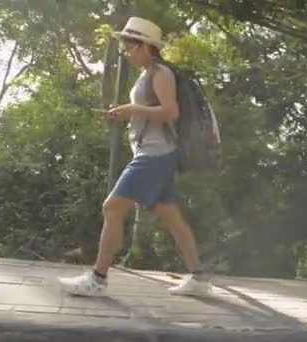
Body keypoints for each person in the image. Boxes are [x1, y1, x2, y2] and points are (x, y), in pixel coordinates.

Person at [57, 17, 212, 297]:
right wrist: (125, 112)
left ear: (146, 46)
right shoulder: (147, 74)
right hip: (152, 152)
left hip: (155, 153)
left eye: (130, 45)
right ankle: (200, 280)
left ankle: (98, 278)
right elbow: (148, 111)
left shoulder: (160, 72)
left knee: (112, 207)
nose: (127, 51)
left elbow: (170, 112)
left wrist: (131, 109)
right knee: (172, 217)